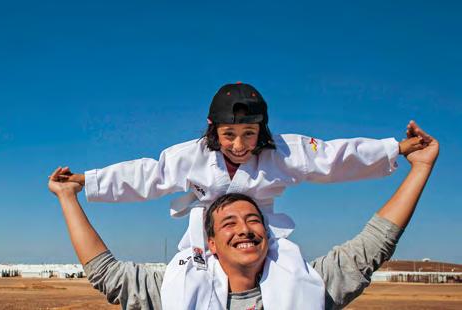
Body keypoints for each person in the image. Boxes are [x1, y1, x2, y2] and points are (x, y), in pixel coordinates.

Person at [53, 82, 425, 308]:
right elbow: (148, 175)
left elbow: (335, 158)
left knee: (294, 283)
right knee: (189, 285)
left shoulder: (285, 151)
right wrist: (88, 181)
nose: (239, 145)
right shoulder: (190, 155)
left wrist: (396, 149)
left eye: (249, 134)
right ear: (214, 129)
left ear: (261, 129)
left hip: (268, 239)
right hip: (203, 238)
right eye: (229, 134)